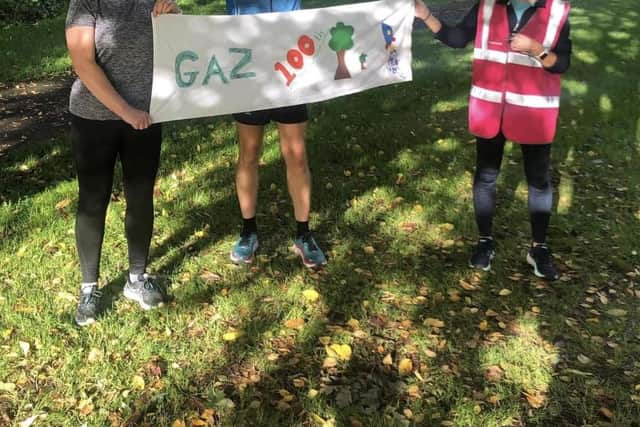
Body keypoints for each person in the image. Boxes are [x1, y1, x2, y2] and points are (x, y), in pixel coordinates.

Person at [414, 0, 572, 280]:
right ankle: (485, 242)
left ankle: (539, 249)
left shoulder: (557, 11)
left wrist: (536, 50)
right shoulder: (488, 7)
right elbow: (456, 37)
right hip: (492, 109)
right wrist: (425, 14)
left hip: (533, 110)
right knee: (486, 176)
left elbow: (561, 64)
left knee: (538, 180)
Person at [65, 0, 180, 326]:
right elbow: (83, 64)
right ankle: (89, 289)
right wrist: (126, 112)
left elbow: (179, 45)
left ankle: (137, 279)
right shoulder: (87, 2)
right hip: (94, 118)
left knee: (141, 196)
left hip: (147, 116)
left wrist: (175, 17)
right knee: (92, 200)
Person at [226, 0, 327, 268]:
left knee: (296, 154)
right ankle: (248, 231)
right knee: (248, 153)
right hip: (247, 71)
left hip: (291, 69)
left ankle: (304, 234)